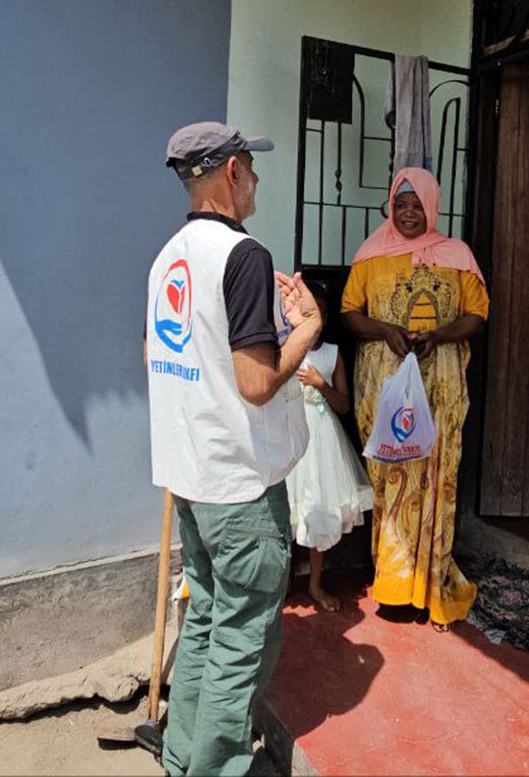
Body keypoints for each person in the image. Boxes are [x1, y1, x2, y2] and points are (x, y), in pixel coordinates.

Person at [145, 122, 322, 776]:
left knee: (207, 618)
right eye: (251, 166)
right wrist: (308, 326)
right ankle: (216, 767)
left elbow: (161, 354)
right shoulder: (242, 256)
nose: (257, 180)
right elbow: (255, 383)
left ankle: (180, 754)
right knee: (241, 636)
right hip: (239, 486)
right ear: (229, 173)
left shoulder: (169, 258)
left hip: (191, 476)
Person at [340, 166, 488, 630]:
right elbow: (348, 312)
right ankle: (393, 582)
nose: (408, 213)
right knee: (392, 474)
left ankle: (430, 581)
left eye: (417, 204)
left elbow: (478, 314)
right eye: (401, 204)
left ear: (432, 205)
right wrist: (383, 329)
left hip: (438, 385)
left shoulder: (457, 255)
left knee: (437, 471)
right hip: (386, 387)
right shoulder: (371, 253)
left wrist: (442, 335)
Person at [285, 287, 374, 612]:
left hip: (322, 438)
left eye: (318, 314)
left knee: (319, 505)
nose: (313, 320)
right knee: (289, 509)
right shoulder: (286, 348)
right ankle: (285, 581)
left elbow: (345, 406)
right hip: (291, 436)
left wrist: (321, 385)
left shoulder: (332, 353)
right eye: (307, 312)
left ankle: (315, 583)